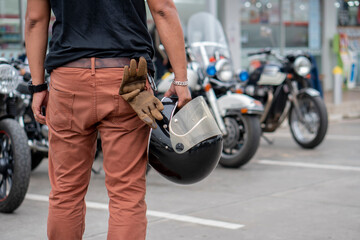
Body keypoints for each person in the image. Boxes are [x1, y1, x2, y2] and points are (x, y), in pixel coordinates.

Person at [25, 0, 191, 239]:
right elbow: (163, 9)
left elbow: (34, 19)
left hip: (69, 78)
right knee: (126, 193)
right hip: (128, 78)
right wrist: (181, 80)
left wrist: (38, 84)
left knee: (66, 191)